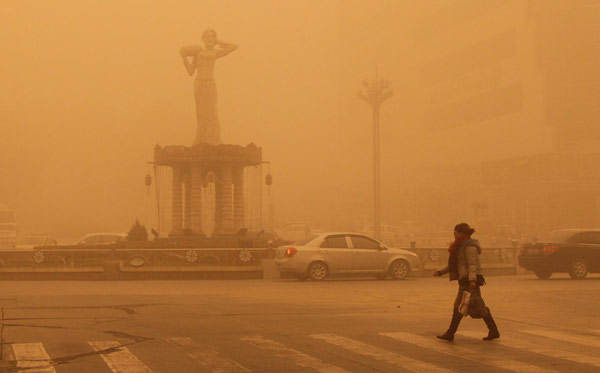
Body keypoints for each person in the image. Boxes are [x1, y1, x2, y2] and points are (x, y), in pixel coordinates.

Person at [433, 223, 499, 342]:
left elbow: (472, 265)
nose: (454, 234)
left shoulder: (469, 247)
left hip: (470, 281)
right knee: (472, 306)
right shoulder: (459, 247)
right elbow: (455, 265)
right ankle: (493, 330)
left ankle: (451, 333)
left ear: (462, 233)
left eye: (456, 232)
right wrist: (441, 271)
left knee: (464, 306)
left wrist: (472, 280)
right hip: (465, 280)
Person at [180, 29, 238, 145]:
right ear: (203, 39)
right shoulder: (198, 53)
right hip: (199, 83)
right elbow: (191, 71)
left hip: (210, 83)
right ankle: (200, 138)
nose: (209, 39)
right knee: (201, 112)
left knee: (211, 110)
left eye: (212, 37)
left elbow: (233, 46)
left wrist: (218, 41)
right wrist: (184, 58)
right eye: (207, 37)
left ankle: (212, 138)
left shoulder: (215, 53)